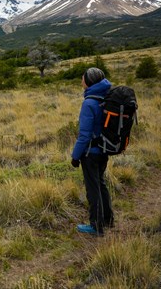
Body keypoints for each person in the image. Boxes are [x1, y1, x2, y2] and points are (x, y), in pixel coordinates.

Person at [71, 67, 114, 236]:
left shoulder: (89, 102)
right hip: (104, 149)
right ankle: (108, 219)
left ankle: (96, 226)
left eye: (83, 78)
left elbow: (84, 135)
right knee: (101, 184)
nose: (81, 80)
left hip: (90, 153)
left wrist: (75, 156)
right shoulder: (106, 97)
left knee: (93, 189)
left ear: (89, 81)